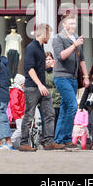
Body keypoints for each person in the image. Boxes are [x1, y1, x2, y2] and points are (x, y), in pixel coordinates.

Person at [19, 23, 65, 151]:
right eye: (49, 33)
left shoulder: (40, 47)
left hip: (41, 87)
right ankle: (23, 143)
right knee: (29, 115)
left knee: (50, 113)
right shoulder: (31, 48)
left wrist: (48, 66)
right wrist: (39, 85)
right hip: (33, 88)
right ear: (44, 33)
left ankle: (49, 141)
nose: (49, 36)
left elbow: (38, 66)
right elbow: (29, 69)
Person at [52, 13, 89, 147]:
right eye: (71, 23)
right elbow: (61, 56)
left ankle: (59, 139)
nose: (73, 26)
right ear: (64, 25)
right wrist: (74, 45)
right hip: (61, 77)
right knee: (73, 106)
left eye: (75, 23)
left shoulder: (75, 39)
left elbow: (82, 60)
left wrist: (85, 77)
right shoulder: (58, 38)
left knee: (65, 108)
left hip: (73, 78)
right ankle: (66, 138)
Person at [9, 74, 26, 149]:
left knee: (21, 128)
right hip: (18, 114)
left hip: (20, 113)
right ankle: (12, 140)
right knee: (20, 129)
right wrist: (20, 113)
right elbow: (14, 104)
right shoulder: (16, 91)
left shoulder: (18, 91)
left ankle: (16, 142)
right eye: (23, 84)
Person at [45, 52, 61, 127]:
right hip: (47, 101)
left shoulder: (57, 71)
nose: (48, 61)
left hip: (57, 101)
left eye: (50, 59)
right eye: (46, 59)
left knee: (57, 123)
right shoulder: (42, 72)